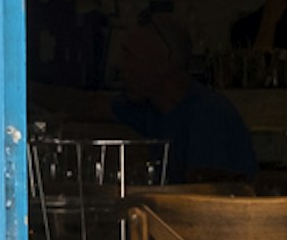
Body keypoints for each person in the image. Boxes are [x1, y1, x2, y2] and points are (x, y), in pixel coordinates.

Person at [107, 14, 258, 183]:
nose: (120, 65)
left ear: (166, 60)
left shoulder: (210, 117)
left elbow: (207, 199)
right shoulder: (145, 108)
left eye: (130, 56)